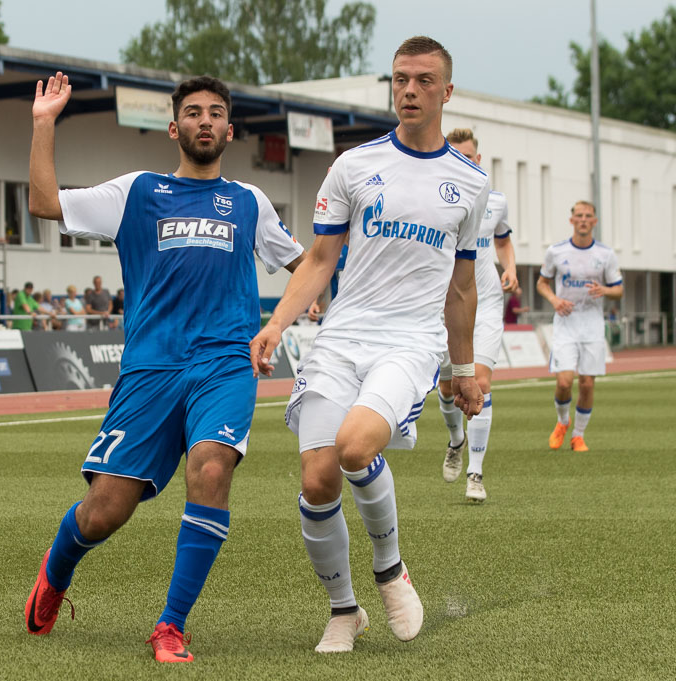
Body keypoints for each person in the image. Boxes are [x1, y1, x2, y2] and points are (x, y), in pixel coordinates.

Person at [24, 72, 304, 663]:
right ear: (175, 127)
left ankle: (171, 625)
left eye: (217, 113)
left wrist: (295, 316)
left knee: (210, 470)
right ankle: (56, 571)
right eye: (195, 112)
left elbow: (309, 265)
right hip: (150, 369)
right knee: (104, 513)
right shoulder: (138, 191)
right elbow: (44, 203)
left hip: (225, 365)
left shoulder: (250, 203)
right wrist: (44, 123)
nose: (206, 121)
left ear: (230, 129)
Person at [249, 36, 487, 653]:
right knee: (317, 479)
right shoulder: (354, 165)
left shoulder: (469, 183)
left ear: (447, 91)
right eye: (401, 79)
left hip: (409, 343)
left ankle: (390, 568)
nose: (409, 90)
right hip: (341, 336)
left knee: (356, 447)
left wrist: (462, 367)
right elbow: (320, 258)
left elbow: (461, 288)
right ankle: (343, 610)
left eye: (424, 81)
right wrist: (278, 321)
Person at [434, 129, 518, 503]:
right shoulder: (435, 202)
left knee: (479, 383)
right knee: (448, 388)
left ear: (478, 160)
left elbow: (503, 238)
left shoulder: (496, 201)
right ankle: (456, 440)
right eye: (458, 157)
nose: (465, 163)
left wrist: (510, 267)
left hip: (485, 304)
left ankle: (476, 474)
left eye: (470, 157)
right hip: (444, 307)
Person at [537, 200, 623, 451]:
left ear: (594, 221)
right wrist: (554, 299)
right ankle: (563, 422)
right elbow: (542, 283)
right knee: (564, 382)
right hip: (565, 324)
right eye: (579, 216)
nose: (583, 220)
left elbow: (619, 289)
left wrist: (604, 289)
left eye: (588, 216)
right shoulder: (556, 251)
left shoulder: (605, 255)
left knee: (587, 383)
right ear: (572, 220)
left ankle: (578, 435)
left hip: (592, 325)